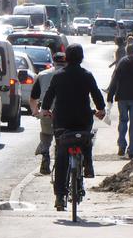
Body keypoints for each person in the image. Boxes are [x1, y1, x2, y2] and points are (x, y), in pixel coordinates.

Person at [40, 44, 106, 211]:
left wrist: (46, 110)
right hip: (83, 120)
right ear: (81, 58)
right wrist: (101, 110)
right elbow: (96, 94)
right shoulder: (87, 75)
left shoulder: (58, 76)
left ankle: (60, 197)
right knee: (86, 140)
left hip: (62, 122)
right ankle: (88, 165)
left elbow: (48, 96)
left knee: (61, 155)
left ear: (66, 58)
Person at [29, 52, 67, 175]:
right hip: (65, 113)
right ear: (65, 61)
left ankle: (45, 151)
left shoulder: (42, 75)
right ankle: (60, 160)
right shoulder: (69, 74)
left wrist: (35, 112)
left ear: (53, 62)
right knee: (62, 138)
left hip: (47, 111)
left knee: (46, 135)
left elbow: (33, 97)